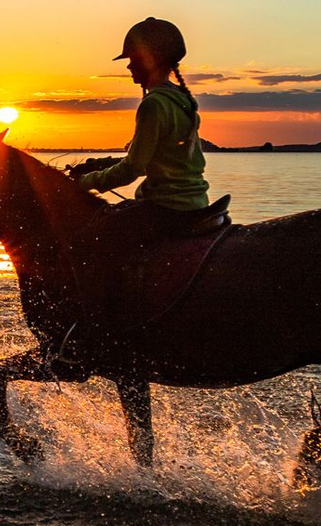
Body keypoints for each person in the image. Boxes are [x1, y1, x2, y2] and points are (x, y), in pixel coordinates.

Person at [62, 17, 216, 360]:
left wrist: (83, 185)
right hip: (195, 202)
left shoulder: (153, 104)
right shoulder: (182, 100)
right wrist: (99, 164)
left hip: (165, 206)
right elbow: (154, 153)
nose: (129, 66)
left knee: (86, 244)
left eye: (132, 58)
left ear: (150, 59)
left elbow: (134, 168)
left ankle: (91, 338)